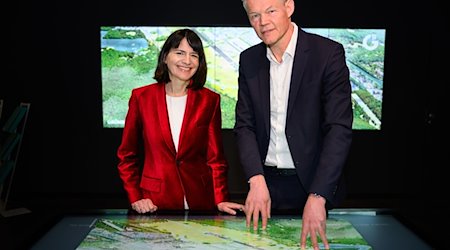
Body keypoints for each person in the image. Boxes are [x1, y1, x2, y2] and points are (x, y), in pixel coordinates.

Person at [234, 0, 353, 249]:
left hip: (313, 185)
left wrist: (319, 194)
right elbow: (245, 125)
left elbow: (338, 129)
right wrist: (255, 179)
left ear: (289, 7)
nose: (263, 22)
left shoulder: (327, 54)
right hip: (264, 186)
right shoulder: (249, 59)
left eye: (270, 11)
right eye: (254, 15)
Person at [117, 28, 244, 215]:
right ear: (165, 57)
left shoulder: (210, 100)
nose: (187, 61)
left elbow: (215, 159)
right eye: (179, 53)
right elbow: (126, 155)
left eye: (194, 55)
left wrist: (221, 198)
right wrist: (135, 197)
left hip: (200, 202)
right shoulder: (141, 97)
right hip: (153, 203)